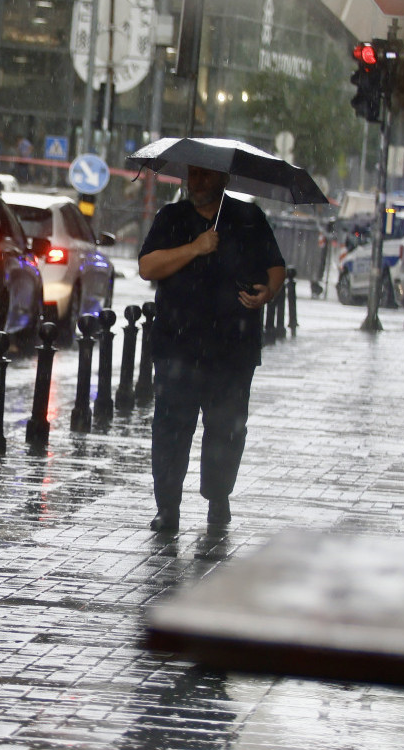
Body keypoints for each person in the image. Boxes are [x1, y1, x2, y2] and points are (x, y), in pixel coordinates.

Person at [137, 165, 285, 532]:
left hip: (233, 349)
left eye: (205, 176)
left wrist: (268, 292)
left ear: (223, 179)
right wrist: (196, 247)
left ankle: (218, 498)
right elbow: (147, 266)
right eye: (193, 175)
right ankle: (167, 507)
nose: (197, 182)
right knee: (171, 429)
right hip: (177, 345)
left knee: (226, 429)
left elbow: (276, 267)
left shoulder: (249, 218)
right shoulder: (171, 217)